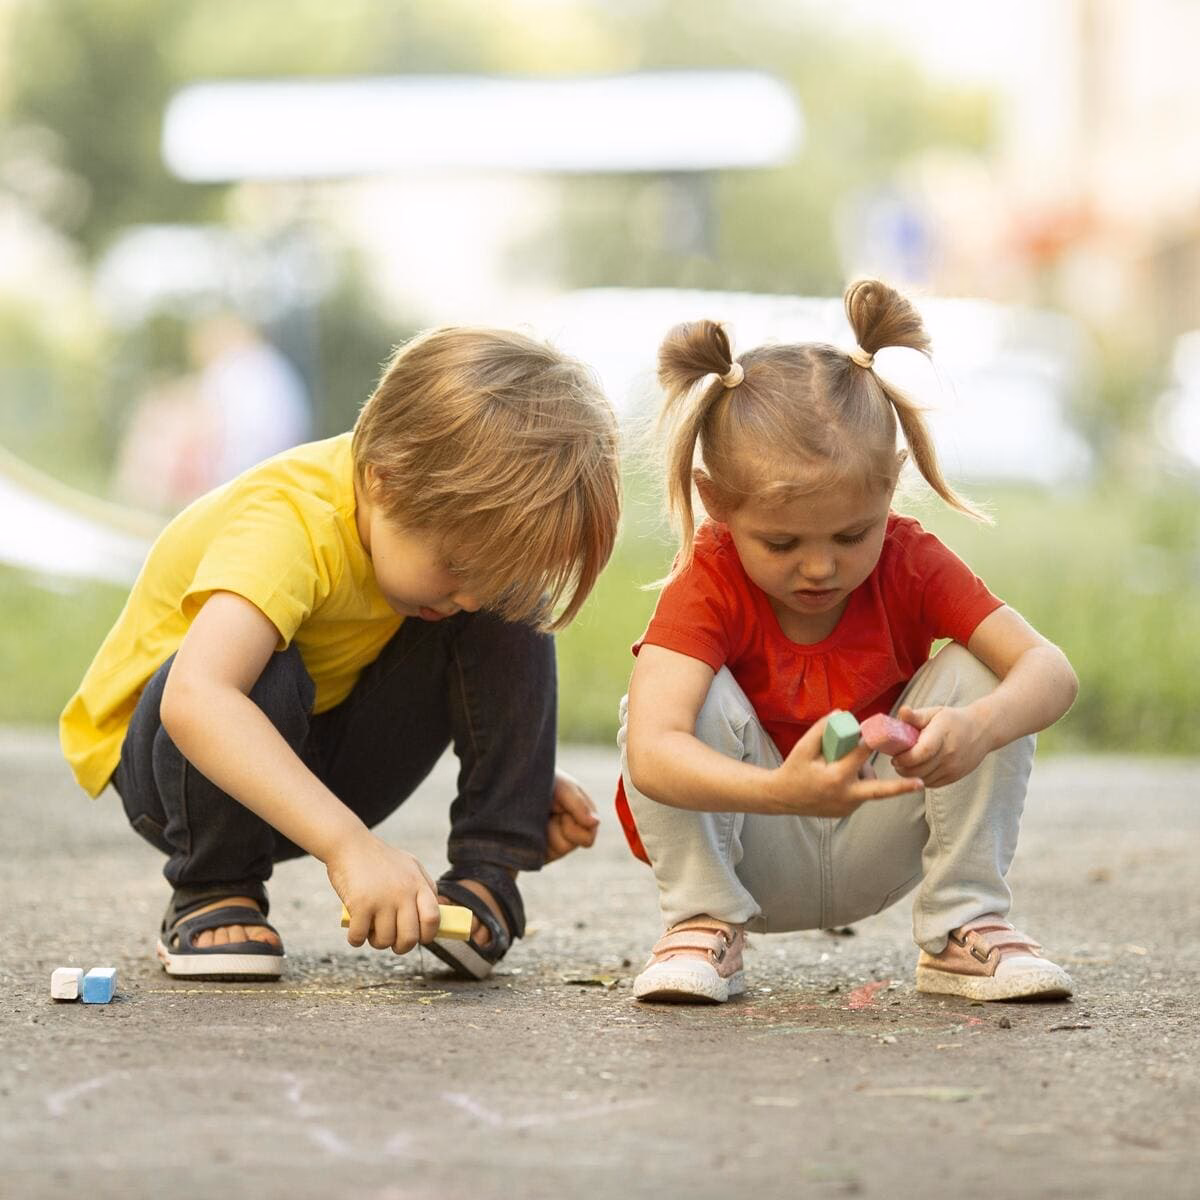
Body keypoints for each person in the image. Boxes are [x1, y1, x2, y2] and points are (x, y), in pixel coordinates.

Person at [61, 326, 621, 982]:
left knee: (509, 609)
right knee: (263, 670)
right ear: (383, 481)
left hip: (314, 746)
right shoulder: (288, 522)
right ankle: (215, 888)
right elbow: (197, 700)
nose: (466, 597)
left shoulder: (437, 573)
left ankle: (488, 877)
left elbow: (471, 613)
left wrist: (514, 771)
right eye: (454, 566)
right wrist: (348, 845)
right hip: (179, 772)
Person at [617, 280, 1079, 1005]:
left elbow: (1051, 671)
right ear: (717, 504)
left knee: (984, 674)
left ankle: (965, 923)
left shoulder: (910, 561)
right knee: (668, 694)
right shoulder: (707, 583)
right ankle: (702, 922)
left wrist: (977, 727)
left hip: (880, 827)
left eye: (851, 533)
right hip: (749, 848)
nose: (820, 566)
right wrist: (780, 791)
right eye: (781, 541)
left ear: (890, 487)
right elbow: (651, 751)